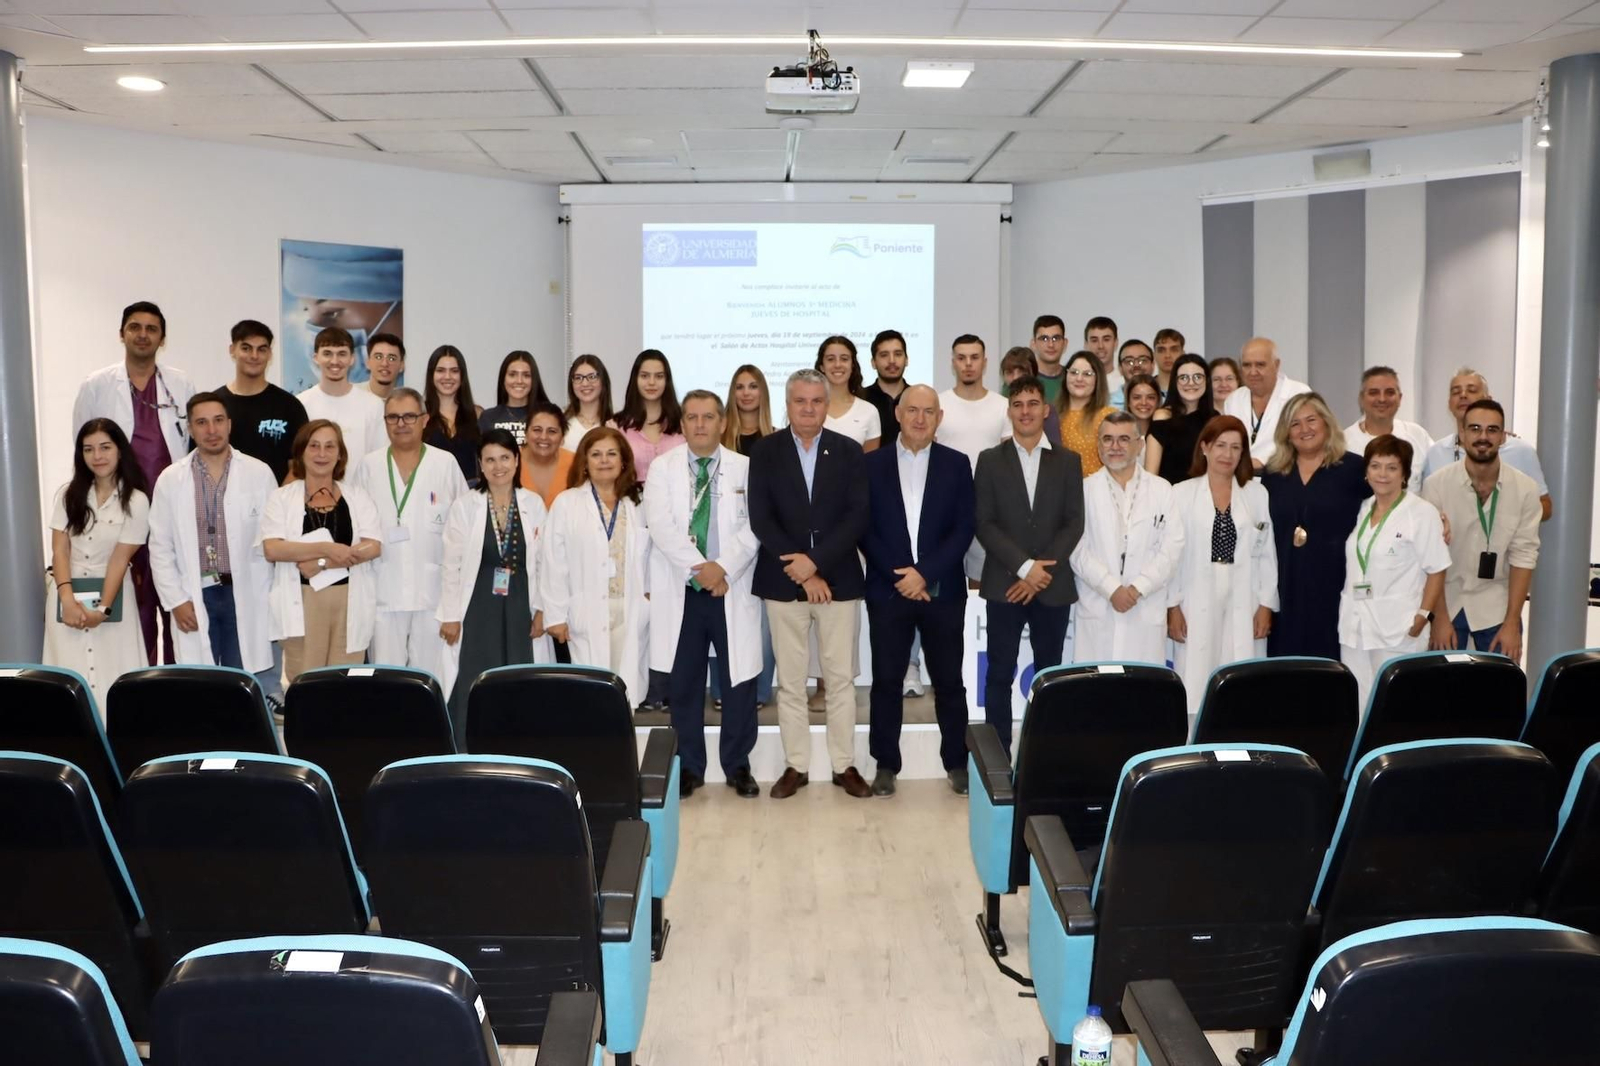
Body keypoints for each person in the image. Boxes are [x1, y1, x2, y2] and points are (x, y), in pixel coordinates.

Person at [748, 368, 872, 799]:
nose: (808, 408)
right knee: (792, 679)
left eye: (816, 401)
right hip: (783, 582)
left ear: (826, 404)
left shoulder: (849, 451)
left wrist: (816, 564)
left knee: (839, 679)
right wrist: (802, 568)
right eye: (800, 401)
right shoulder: (765, 452)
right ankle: (795, 766)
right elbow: (761, 517)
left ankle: (844, 765)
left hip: (838, 581)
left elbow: (858, 516)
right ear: (787, 404)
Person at [644, 391, 762, 800]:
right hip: (685, 590)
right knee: (684, 683)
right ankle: (690, 766)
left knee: (738, 682)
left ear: (723, 422)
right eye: (691, 417)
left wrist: (723, 567)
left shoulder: (747, 468)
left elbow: (756, 526)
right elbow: (660, 526)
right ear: (683, 422)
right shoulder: (662, 469)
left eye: (708, 417)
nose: (699, 424)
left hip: (732, 587)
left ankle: (737, 765)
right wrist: (702, 570)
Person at [861, 385, 975, 796]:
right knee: (886, 681)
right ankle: (885, 764)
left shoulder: (957, 464)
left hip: (942, 591)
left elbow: (964, 528)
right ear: (897, 413)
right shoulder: (871, 465)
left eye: (929, 411)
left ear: (939, 417)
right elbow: (865, 530)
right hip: (888, 591)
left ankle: (956, 763)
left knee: (949, 682)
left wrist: (923, 574)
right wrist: (901, 577)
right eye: (912, 410)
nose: (920, 418)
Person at [73, 300, 193, 665]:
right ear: (122, 334)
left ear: (162, 338)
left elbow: (190, 444)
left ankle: (178, 680)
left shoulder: (180, 384)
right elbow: (82, 445)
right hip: (122, 507)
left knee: (176, 599)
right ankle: (140, 684)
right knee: (135, 600)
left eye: (151, 329)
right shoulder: (97, 384)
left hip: (170, 506)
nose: (143, 335)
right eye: (135, 327)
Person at [975, 375, 1085, 754]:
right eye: (1018, 404)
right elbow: (984, 522)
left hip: (1052, 587)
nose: (1025, 411)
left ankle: (1044, 754)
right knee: (1000, 674)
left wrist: (1040, 572)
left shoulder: (1069, 461)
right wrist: (1025, 568)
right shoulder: (989, 461)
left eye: (1032, 403)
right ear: (1009, 411)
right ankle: (997, 756)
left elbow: (1074, 521)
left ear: (1045, 409)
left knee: (1048, 675)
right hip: (1005, 583)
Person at [147, 393, 279, 697]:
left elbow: (273, 538)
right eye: (202, 423)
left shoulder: (259, 473)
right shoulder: (171, 479)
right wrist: (176, 601)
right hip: (196, 593)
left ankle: (243, 741)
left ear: (229, 424)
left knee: (243, 682)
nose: (212, 430)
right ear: (191, 429)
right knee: (201, 684)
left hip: (244, 591)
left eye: (218, 420)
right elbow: (160, 546)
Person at [352, 387, 468, 676]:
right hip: (383, 591)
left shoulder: (445, 464)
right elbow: (356, 527)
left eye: (408, 416)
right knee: (386, 680)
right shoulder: (369, 466)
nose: (401, 423)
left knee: (431, 680)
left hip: (433, 595)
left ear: (425, 419)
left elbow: (464, 532)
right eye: (393, 417)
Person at [439, 429, 548, 737]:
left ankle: (520, 748)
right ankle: (469, 748)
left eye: (504, 458)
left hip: (520, 604)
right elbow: (451, 564)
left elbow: (545, 563)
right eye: (490, 459)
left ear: (516, 460)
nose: (498, 466)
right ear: (481, 465)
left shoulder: (534, 504)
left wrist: (541, 609)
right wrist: (449, 615)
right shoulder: (466, 506)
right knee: (474, 675)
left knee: (520, 676)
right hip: (477, 606)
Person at [1167, 416, 1278, 716]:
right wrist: (1173, 606)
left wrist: (1266, 604)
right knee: (1196, 673)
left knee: (1241, 673)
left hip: (1244, 592)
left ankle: (1238, 739)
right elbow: (1173, 556)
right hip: (1195, 591)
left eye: (1235, 447)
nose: (1227, 455)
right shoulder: (1181, 493)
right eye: (1220, 446)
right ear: (1204, 447)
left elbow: (1266, 552)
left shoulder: (1257, 493)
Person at [260, 420, 383, 681]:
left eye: (330, 446)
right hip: (303, 602)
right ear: (302, 452)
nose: (322, 454)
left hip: (349, 601)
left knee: (345, 684)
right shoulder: (281, 498)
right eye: (314, 446)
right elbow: (273, 548)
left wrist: (324, 562)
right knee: (305, 684)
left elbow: (373, 546)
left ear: (340, 454)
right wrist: (325, 547)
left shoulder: (357, 496)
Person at [1422, 399, 1541, 661]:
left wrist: (1512, 622)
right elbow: (1431, 559)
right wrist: (1439, 618)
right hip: (1447, 603)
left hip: (1497, 607)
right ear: (1462, 435)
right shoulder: (1436, 486)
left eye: (1492, 430)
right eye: (1475, 429)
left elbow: (1524, 557)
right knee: (1441, 694)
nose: (1483, 436)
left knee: (1501, 692)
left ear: (1502, 437)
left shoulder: (1525, 490)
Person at [45, 420, 151, 712]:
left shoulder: (136, 500)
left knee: (115, 673)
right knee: (68, 673)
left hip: (113, 595)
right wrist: (66, 599)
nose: (98, 456)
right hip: (67, 596)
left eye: (105, 447)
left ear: (120, 451)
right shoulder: (68, 494)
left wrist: (103, 609)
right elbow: (60, 549)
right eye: (89, 449)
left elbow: (120, 558)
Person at [1338, 435, 1450, 712]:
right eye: (1376, 466)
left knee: (1396, 705)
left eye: (1391, 467)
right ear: (1366, 472)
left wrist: (1422, 617)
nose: (1382, 474)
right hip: (1356, 625)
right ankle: (1362, 755)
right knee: (1359, 703)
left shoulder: (1421, 513)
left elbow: (1437, 569)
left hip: (1399, 626)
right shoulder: (1361, 509)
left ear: (1404, 474)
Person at [540, 427, 651, 699]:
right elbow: (553, 562)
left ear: (623, 460)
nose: (604, 460)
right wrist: (555, 615)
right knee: (589, 693)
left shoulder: (639, 502)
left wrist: (650, 597)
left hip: (630, 606)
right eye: (596, 454)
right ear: (585, 463)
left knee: (626, 690)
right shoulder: (567, 503)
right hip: (585, 611)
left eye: (612, 454)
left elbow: (652, 556)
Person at [1259, 392, 1370, 658]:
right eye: (1295, 423)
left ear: (1327, 423)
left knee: (1331, 667)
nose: (1304, 429)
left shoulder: (1354, 468)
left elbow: (1384, 511)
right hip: (1286, 587)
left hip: (1335, 585)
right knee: (1286, 670)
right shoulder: (1274, 473)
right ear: (1286, 432)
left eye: (1311, 420)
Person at [1070, 411, 1183, 665]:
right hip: (1098, 605)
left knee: (1140, 692)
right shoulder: (1084, 490)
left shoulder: (1162, 489)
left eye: (1123, 439)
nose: (1115, 446)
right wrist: (1111, 588)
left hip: (1144, 605)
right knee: (1096, 692)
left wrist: (1137, 588)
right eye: (1108, 439)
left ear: (1140, 444)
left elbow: (1172, 548)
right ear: (1098, 446)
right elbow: (1076, 548)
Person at [713, 365, 777, 706]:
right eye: (740, 386)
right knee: (720, 619)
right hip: (727, 544)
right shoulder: (719, 440)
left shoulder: (778, 438)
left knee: (763, 624)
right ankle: (723, 690)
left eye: (753, 386)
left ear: (763, 392)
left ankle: (760, 690)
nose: (747, 393)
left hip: (767, 544)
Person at [1419, 368, 1552, 521]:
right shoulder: (1436, 452)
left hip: (1505, 543)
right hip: (1452, 543)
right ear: (1449, 404)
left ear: (1488, 400)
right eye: (1456, 392)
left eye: (1471, 390)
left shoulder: (1520, 450)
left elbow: (1546, 507)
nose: (1463, 395)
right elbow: (1425, 508)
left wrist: (1507, 513)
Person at [938, 334, 1010, 584]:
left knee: (981, 582)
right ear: (953, 362)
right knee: (946, 580)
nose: (968, 364)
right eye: (961, 358)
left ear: (984, 362)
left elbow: (1008, 463)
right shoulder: (938, 405)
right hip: (946, 507)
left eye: (974, 358)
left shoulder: (1003, 406)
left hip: (988, 508)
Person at [217, 319, 307, 486]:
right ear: (232, 350)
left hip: (275, 506)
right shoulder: (215, 405)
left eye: (261, 349)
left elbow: (298, 466)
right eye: (246, 348)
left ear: (270, 354)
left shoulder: (290, 406)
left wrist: (275, 503)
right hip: (223, 506)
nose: (254, 356)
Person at [297, 326, 388, 465]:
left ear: (352, 358)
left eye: (342, 354)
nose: (334, 361)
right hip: (314, 487)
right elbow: (298, 459)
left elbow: (380, 459)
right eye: (327, 353)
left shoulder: (373, 405)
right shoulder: (301, 403)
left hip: (362, 487)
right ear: (316, 358)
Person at [1223, 337, 1311, 469]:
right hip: (1241, 480)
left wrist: (1263, 463)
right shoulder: (1234, 399)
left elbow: (1307, 442)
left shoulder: (1299, 394)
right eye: (1247, 365)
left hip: (1285, 476)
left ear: (1276, 365)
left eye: (1260, 365)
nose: (1253, 372)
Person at [1342, 366, 1433, 493]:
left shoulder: (1418, 436)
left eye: (1389, 392)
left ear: (1400, 398)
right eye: (1374, 392)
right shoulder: (1343, 443)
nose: (1382, 399)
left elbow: (1435, 484)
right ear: (1361, 399)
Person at [614, 349, 686, 485]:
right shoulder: (617, 425)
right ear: (635, 379)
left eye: (659, 376)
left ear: (667, 380)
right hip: (632, 501)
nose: (651, 382)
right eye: (645, 376)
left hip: (677, 501)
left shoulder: (683, 422)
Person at [1146, 353, 1215, 485]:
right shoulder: (1162, 417)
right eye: (1183, 378)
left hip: (1206, 497)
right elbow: (1151, 475)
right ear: (1174, 382)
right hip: (1170, 498)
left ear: (1206, 381)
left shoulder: (1215, 419)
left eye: (1197, 377)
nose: (1191, 383)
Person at [421, 344, 483, 483]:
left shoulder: (477, 414)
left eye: (454, 371)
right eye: (441, 370)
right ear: (431, 375)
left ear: (462, 375)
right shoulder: (419, 415)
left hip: (471, 494)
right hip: (431, 493)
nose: (447, 376)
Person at [815, 334, 882, 451]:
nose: (837, 365)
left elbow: (870, 463)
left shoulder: (868, 411)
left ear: (852, 365)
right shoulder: (808, 408)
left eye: (844, 359)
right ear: (822, 366)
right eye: (830, 359)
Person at [1057, 351, 1117, 477]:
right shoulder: (1052, 415)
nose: (1079, 379)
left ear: (1097, 379)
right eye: (1074, 373)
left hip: (1097, 492)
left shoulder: (1109, 417)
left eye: (1087, 374)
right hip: (1060, 491)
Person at [478, 350, 548, 446]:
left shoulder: (546, 416)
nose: (519, 381)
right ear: (503, 379)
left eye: (526, 375)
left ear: (534, 380)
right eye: (512, 375)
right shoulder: (488, 417)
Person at [519, 402, 575, 510]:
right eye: (537, 430)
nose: (544, 437)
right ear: (526, 433)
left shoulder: (575, 463)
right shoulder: (510, 462)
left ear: (562, 438)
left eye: (552, 431)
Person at [1001, 347, 1062, 446]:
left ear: (1034, 374)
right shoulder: (998, 406)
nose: (1015, 378)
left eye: (1022, 372)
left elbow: (1055, 451)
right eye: (1010, 373)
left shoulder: (1045, 411)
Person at [562, 354, 614, 453]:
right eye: (578, 378)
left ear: (603, 381)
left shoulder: (615, 423)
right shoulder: (561, 420)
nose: (585, 383)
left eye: (592, 377)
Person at [862, 329, 909, 434]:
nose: (892, 360)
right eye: (884, 355)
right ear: (873, 362)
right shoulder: (861, 398)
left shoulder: (917, 397)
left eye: (898, 354)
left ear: (906, 360)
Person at [1029, 314, 1068, 406]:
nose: (1051, 344)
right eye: (1044, 339)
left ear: (1065, 344)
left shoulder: (1075, 379)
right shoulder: (1021, 379)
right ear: (1033, 344)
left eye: (1056, 338)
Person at [1085, 316, 1123, 407]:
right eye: (1094, 340)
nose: (1100, 346)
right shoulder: (1077, 382)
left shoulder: (1124, 382)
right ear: (1086, 345)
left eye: (1106, 339)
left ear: (1116, 343)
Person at [364, 332, 405, 401]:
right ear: (367, 362)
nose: (384, 364)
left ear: (402, 365)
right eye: (378, 357)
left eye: (392, 358)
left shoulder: (407, 403)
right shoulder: (351, 397)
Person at [1123, 374, 1162, 438]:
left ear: (1158, 401)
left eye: (1150, 397)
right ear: (1128, 402)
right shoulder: (1118, 434)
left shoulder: (1167, 435)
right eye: (1137, 397)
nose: (1144, 403)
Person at [1153, 328, 1186, 398]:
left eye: (1174, 350)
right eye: (1161, 350)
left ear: (1183, 354)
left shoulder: (1191, 389)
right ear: (1154, 355)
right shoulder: (1145, 388)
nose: (1167, 355)